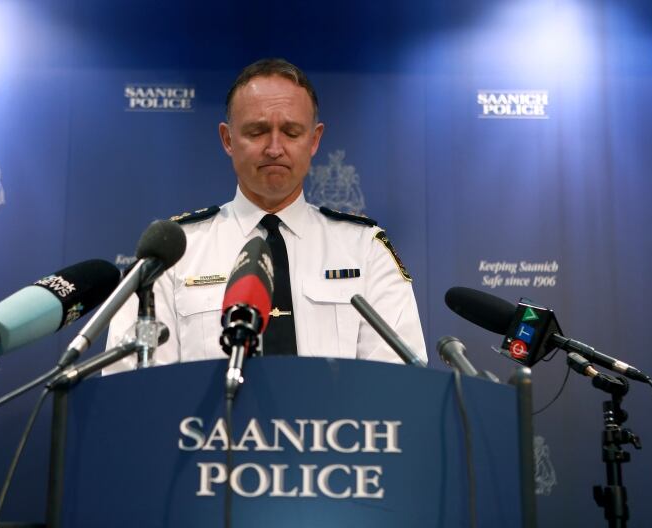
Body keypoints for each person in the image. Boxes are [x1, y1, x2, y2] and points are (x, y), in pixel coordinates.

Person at [103, 58, 426, 373]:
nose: (274, 148)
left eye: (291, 132)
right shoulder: (174, 253)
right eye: (257, 132)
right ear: (228, 140)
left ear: (314, 141)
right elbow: (131, 384)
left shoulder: (364, 249)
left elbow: (402, 379)